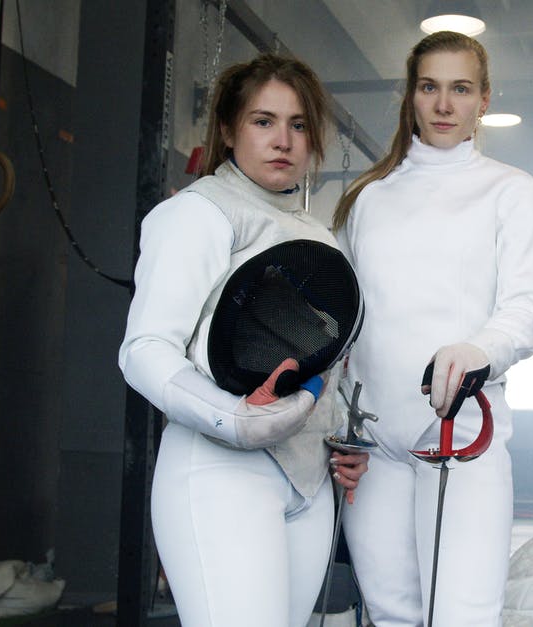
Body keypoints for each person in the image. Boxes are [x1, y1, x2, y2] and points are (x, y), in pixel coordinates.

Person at [118, 53, 368, 627]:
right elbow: (144, 349)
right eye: (263, 121)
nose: (283, 139)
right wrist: (233, 416)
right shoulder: (198, 212)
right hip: (220, 473)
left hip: (307, 482)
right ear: (229, 129)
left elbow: (323, 358)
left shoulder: (317, 233)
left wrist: (341, 438)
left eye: (298, 124)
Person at [333, 30, 533, 626]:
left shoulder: (512, 191)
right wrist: (336, 427)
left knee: (462, 617)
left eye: (460, 89)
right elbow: (341, 325)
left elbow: (529, 305)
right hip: (375, 443)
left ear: (484, 99)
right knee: (389, 613)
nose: (444, 104)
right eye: (429, 87)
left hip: (463, 436)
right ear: (412, 95)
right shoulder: (368, 198)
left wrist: (479, 349)